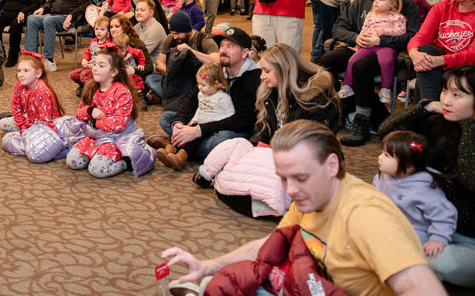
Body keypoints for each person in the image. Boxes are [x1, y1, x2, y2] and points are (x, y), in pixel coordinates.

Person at [161, 120, 444, 296]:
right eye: (284, 178)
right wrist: (207, 265)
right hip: (311, 284)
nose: (290, 190)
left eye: (300, 177)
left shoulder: (368, 215)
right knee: (223, 281)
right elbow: (270, 243)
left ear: (331, 165)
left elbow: (422, 288)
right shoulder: (311, 195)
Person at [378, 65, 475, 288]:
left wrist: (470, 123)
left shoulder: (465, 130)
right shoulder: (440, 123)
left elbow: (469, 177)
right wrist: (426, 107)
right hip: (427, 224)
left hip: (468, 238)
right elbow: (386, 132)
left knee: (437, 261)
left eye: (457, 95)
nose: (446, 101)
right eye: (445, 91)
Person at [318, 0, 420, 146]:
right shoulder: (362, 1)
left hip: (388, 53)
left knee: (361, 66)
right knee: (325, 62)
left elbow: (413, 35)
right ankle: (343, 108)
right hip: (360, 47)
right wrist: (355, 37)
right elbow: (338, 27)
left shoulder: (406, 4)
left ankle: (362, 121)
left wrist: (381, 40)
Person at [152, 26, 259, 163]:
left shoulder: (254, 78)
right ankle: (185, 143)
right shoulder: (216, 70)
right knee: (167, 118)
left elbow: (241, 121)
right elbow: (191, 99)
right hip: (204, 119)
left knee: (222, 140)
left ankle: (177, 145)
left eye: (230, 47)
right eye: (222, 46)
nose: (223, 51)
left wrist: (199, 131)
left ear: (244, 53)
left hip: (232, 129)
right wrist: (179, 123)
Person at [373, 131, 458, 278]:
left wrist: (438, 238)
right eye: (382, 153)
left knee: (403, 259)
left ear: (408, 168)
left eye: (386, 155)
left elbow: (445, 215)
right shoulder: (382, 176)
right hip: (391, 223)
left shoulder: (424, 189)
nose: (379, 158)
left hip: (415, 231)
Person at [66, 49, 155, 178]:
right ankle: (99, 156)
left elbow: (118, 124)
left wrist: (93, 122)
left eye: (101, 66)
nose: (95, 68)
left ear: (114, 72)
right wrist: (90, 110)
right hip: (95, 136)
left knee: (97, 169)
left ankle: (126, 162)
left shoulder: (122, 92)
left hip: (116, 138)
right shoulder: (91, 88)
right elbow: (79, 113)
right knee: (73, 161)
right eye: (94, 64)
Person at [408, 0, 475, 102]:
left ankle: (426, 109)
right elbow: (421, 37)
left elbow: (472, 54)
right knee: (425, 52)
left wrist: (442, 60)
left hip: (465, 68)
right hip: (435, 64)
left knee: (426, 70)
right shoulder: (442, 7)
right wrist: (414, 54)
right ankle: (430, 109)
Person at [0, 52, 83, 163]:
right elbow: (16, 106)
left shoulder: (42, 92)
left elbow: (45, 124)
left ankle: (59, 147)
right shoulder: (20, 83)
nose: (21, 74)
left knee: (10, 141)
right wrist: (23, 126)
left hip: (45, 127)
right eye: (19, 71)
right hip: (29, 120)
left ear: (38, 73)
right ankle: (27, 143)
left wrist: (28, 132)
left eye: (26, 71)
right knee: (2, 123)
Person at [251, 43, 340, 145]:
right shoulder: (271, 91)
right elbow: (264, 129)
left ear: (286, 67)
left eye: (267, 71)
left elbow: (317, 142)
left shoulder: (316, 99)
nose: (262, 76)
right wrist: (254, 145)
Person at [155, 61, 234, 170]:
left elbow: (230, 115)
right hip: (198, 124)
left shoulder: (223, 98)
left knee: (195, 139)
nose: (199, 87)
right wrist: (193, 119)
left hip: (210, 129)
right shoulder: (201, 94)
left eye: (203, 85)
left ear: (216, 83)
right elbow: (199, 109)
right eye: (198, 84)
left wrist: (215, 122)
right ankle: (169, 150)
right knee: (181, 130)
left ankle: (181, 157)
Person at [339, 0, 407, 105]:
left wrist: (386, 31)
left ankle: (385, 89)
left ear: (391, 4)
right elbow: (364, 29)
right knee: (352, 60)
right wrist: (358, 45)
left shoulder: (397, 17)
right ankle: (347, 86)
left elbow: (401, 31)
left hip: (386, 46)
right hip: (368, 45)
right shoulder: (371, 15)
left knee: (386, 61)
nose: (376, 2)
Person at [24, 0, 92, 72]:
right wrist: (43, 9)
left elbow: (85, 5)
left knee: (48, 21)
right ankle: (32, 58)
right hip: (53, 15)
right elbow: (51, 2)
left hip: (69, 17)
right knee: (32, 18)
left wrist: (71, 15)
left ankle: (49, 59)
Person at [143, 11, 216, 106]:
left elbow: (217, 61)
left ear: (187, 30)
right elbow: (159, 64)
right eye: (172, 33)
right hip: (175, 81)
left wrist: (191, 51)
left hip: (196, 81)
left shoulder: (203, 39)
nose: (175, 37)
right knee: (151, 79)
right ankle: (179, 98)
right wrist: (172, 73)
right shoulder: (171, 38)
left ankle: (171, 98)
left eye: (177, 33)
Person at [69, 16, 111, 93]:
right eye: (97, 29)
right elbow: (88, 53)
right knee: (73, 74)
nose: (98, 32)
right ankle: (84, 87)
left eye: (102, 29)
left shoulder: (108, 44)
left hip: (98, 68)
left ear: (108, 31)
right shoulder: (93, 41)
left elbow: (106, 60)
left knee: (84, 75)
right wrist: (84, 60)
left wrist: (94, 65)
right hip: (89, 66)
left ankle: (91, 90)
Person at [133, 0, 166, 66]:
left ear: (151, 13)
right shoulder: (137, 26)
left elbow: (142, 54)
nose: (138, 13)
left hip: (154, 68)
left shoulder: (155, 29)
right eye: (136, 10)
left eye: (142, 10)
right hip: (140, 64)